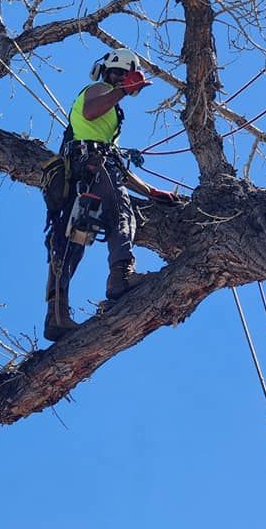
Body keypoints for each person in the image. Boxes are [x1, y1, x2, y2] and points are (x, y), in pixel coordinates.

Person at [44, 48, 181, 342]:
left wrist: (150, 191)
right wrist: (120, 90)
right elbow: (91, 114)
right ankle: (121, 275)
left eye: (125, 76)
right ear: (109, 72)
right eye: (118, 73)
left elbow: (114, 162)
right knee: (121, 211)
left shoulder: (110, 109)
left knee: (70, 243)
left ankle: (57, 317)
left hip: (88, 169)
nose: (121, 80)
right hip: (91, 163)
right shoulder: (100, 90)